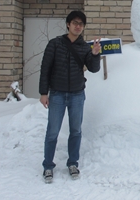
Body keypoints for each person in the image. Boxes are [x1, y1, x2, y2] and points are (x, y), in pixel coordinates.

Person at [39, 11, 101, 183]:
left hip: (77, 95)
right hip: (57, 94)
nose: (78, 26)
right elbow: (45, 69)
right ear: (68, 24)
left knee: (76, 131)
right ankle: (48, 166)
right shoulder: (55, 44)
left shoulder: (84, 47)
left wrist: (95, 54)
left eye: (81, 24)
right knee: (52, 132)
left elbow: (94, 69)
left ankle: (72, 163)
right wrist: (44, 93)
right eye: (75, 22)